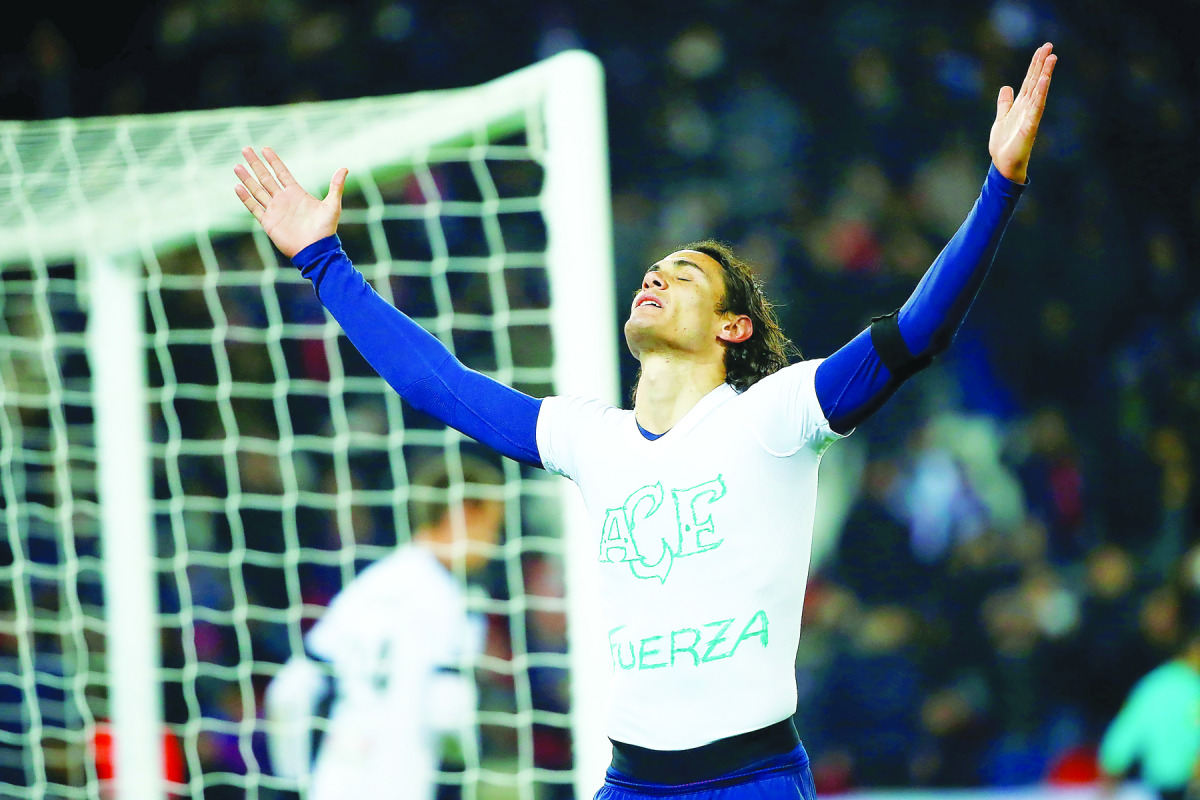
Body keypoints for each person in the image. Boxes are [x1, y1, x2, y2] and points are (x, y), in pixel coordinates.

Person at [237, 42, 1057, 799]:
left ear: (733, 326)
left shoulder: (774, 415)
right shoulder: (592, 440)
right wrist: (322, 261)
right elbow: (438, 386)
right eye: (652, 270)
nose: (655, 278)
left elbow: (918, 330)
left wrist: (999, 188)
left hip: (753, 778)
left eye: (685, 274)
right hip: (630, 783)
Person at [263, 455, 504, 800]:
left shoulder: (369, 586)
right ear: (463, 514)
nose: (495, 543)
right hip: (405, 781)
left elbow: (287, 692)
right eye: (492, 526)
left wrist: (292, 783)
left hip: (334, 780)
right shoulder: (457, 604)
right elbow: (450, 710)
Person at [1098, 621, 1200, 800]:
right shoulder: (1190, 686)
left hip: (1164, 785)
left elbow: (1121, 739)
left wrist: (1111, 775)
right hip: (1186, 784)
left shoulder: (1153, 685)